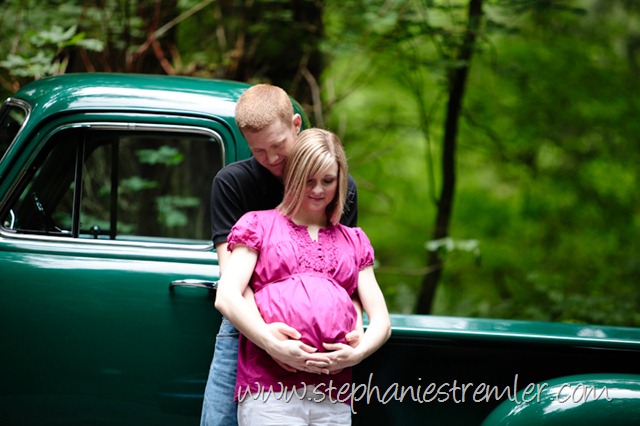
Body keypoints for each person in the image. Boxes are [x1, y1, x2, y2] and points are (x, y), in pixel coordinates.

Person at [201, 84, 360, 426]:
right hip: (244, 323)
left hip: (319, 337)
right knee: (221, 420)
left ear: (296, 125)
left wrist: (354, 331)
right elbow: (232, 281)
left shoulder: (333, 188)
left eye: (278, 146)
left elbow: (345, 275)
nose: (271, 159)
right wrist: (268, 339)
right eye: (259, 151)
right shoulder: (232, 183)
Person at [214, 128, 391, 425]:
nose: (319, 190)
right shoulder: (258, 224)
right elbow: (227, 296)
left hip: (332, 393)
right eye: (309, 180)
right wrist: (273, 344)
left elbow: (382, 322)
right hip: (270, 389)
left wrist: (356, 355)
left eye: (328, 180)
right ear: (294, 176)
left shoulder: (354, 240)